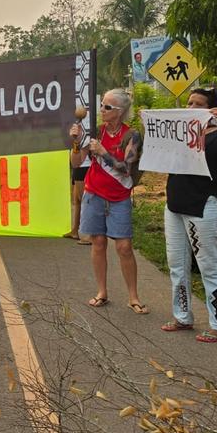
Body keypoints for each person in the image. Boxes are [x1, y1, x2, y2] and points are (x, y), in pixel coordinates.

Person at [160, 85, 217, 342]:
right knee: (177, 264)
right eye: (189, 102)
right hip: (175, 206)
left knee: (209, 266)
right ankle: (182, 316)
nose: (190, 107)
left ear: (210, 109)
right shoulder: (180, 133)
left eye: (197, 104)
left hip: (204, 206)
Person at [70, 88, 145, 314]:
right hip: (94, 193)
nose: (101, 109)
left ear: (120, 112)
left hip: (119, 196)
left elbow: (127, 168)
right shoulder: (96, 132)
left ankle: (133, 296)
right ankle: (102, 291)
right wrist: (75, 142)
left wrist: (103, 152)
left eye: (107, 107)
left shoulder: (131, 135)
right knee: (98, 243)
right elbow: (76, 162)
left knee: (124, 247)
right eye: (101, 105)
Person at [69, 120, 92, 245]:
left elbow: (82, 152)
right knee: (76, 200)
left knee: (84, 200)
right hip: (77, 167)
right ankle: (75, 230)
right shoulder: (75, 130)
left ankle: (89, 234)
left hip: (84, 166)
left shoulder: (86, 132)